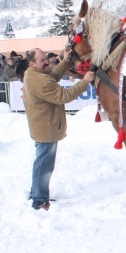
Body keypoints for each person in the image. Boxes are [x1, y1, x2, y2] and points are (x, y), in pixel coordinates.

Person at [23, 47, 95, 211]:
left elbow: (52, 77)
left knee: (41, 162)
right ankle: (39, 200)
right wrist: (85, 81)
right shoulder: (39, 80)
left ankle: (36, 193)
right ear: (32, 63)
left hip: (43, 126)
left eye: (46, 58)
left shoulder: (35, 74)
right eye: (42, 60)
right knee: (44, 165)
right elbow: (64, 96)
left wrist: (66, 60)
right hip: (46, 128)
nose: (46, 61)